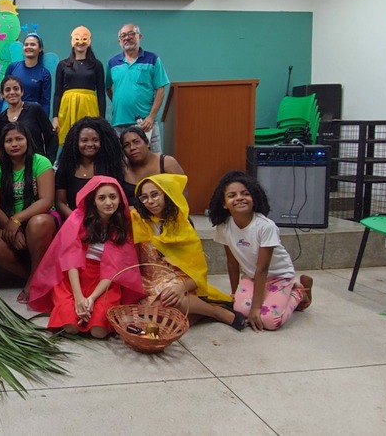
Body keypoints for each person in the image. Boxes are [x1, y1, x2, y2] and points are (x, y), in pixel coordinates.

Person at [28, 176, 143, 337]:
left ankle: (91, 310)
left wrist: (91, 299)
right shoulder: (78, 220)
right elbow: (70, 261)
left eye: (113, 197)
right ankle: (76, 308)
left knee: (99, 331)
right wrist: (79, 297)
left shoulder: (122, 226)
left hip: (105, 281)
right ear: (93, 201)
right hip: (73, 278)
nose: (108, 202)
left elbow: (113, 270)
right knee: (70, 326)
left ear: (120, 200)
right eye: (101, 198)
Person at [131, 174, 245, 330]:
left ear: (167, 194)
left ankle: (216, 312)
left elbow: (198, 273)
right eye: (144, 197)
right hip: (148, 281)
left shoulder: (182, 225)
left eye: (155, 194)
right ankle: (201, 313)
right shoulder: (137, 220)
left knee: (169, 301)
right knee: (157, 319)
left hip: (178, 280)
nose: (150, 201)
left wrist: (181, 288)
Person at [209, 171, 313, 332]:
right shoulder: (224, 227)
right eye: (232, 195)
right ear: (224, 203)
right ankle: (273, 299)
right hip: (252, 277)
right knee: (241, 312)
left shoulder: (265, 226)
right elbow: (232, 262)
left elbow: (262, 268)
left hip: (279, 276)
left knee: (268, 321)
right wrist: (234, 292)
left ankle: (299, 292)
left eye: (245, 194)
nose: (239, 198)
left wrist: (256, 308)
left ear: (254, 198)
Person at [0, 122, 57, 304]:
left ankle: (33, 281)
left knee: (38, 222)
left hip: (39, 220)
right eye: (8, 141)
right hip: (9, 222)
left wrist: (16, 220)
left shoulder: (41, 162)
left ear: (27, 140)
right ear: (2, 145)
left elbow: (46, 201)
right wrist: (11, 227)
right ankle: (36, 276)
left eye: (19, 139)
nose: (14, 144)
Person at [107, 24, 170, 152]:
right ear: (119, 41)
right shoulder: (112, 63)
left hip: (146, 124)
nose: (127, 38)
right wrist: (122, 103)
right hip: (119, 124)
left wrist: (151, 117)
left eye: (131, 34)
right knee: (123, 165)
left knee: (154, 162)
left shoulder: (152, 59)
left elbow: (160, 89)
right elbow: (108, 87)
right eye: (123, 36)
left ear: (139, 36)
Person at [54, 117, 124, 220]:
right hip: (74, 221)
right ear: (76, 142)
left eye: (95, 140)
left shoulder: (110, 166)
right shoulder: (67, 166)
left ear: (102, 142)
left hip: (105, 221)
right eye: (84, 140)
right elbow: (60, 202)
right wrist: (77, 220)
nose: (90, 144)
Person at [52, 26, 106, 145]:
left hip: (89, 106)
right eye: (77, 39)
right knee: (69, 141)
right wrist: (55, 117)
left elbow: (101, 93)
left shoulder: (97, 65)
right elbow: (57, 93)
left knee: (89, 137)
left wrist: (102, 118)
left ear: (89, 41)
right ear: (72, 41)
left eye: (84, 39)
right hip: (68, 106)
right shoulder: (63, 65)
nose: (80, 43)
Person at [0, 75, 58, 161]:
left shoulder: (35, 109)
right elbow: (0, 147)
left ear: (22, 91)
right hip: (13, 168)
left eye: (16, 89)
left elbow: (51, 137)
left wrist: (49, 162)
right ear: (3, 95)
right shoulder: (0, 120)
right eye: (7, 90)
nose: (12, 92)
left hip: (37, 165)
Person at [119, 125, 185, 203]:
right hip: (131, 213)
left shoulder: (167, 163)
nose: (132, 148)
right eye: (126, 145)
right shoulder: (122, 167)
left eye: (136, 142)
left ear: (147, 143)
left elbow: (183, 194)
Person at [4, 33, 52, 116]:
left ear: (40, 48)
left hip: (32, 117)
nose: (29, 47)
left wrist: (44, 123)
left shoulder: (45, 74)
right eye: (26, 44)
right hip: (11, 115)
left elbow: (45, 103)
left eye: (33, 44)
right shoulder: (12, 67)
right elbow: (3, 94)